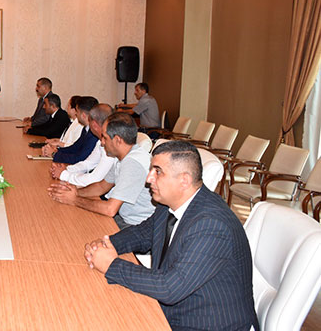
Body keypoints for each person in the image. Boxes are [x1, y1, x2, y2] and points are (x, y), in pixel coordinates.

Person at [84, 140, 258, 330]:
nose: (148, 178)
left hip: (208, 323)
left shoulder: (212, 225)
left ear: (184, 180)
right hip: (175, 309)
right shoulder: (169, 203)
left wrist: (111, 264)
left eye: (158, 171)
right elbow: (142, 234)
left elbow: (170, 288)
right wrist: (106, 244)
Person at [48, 112, 155, 229]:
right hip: (124, 219)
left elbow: (110, 209)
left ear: (118, 140)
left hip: (138, 226)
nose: (102, 143)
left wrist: (74, 200)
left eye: (105, 137)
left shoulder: (132, 163)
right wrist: (74, 192)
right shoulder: (123, 157)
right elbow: (101, 186)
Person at [50, 104, 117, 187]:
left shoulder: (111, 145)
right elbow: (88, 163)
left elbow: (95, 179)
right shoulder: (101, 141)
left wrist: (64, 175)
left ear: (94, 124)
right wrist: (66, 169)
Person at [50, 96, 99, 164]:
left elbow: (80, 158)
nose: (76, 114)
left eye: (77, 112)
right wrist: (57, 151)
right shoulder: (86, 129)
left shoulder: (94, 134)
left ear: (83, 115)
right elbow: (74, 148)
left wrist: (54, 154)